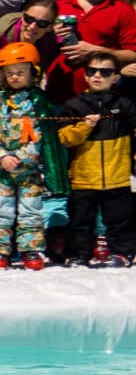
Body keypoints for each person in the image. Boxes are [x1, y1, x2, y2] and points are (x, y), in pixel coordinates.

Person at [0, 42, 65, 270]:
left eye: (20, 73)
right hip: (2, 172)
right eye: (9, 74)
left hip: (29, 173)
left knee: (31, 211)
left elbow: (40, 136)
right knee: (0, 211)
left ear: (33, 73)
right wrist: (0, 156)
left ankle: (30, 249)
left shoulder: (37, 102)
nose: (14, 78)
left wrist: (21, 157)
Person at [58, 52, 136, 267]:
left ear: (116, 77)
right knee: (81, 219)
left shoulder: (125, 104)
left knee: (120, 219)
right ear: (85, 75)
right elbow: (65, 138)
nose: (97, 76)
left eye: (105, 72)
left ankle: (122, 252)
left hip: (116, 175)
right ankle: (79, 254)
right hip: (84, 176)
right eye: (92, 71)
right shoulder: (74, 105)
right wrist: (85, 127)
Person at [50, 0, 136, 102]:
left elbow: (133, 54)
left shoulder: (124, 11)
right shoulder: (57, 8)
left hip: (104, 105)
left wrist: (98, 52)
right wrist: (48, 36)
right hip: (58, 100)